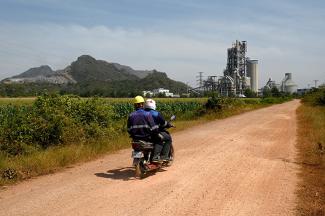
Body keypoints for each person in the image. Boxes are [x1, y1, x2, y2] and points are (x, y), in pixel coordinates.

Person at [127, 96, 161, 162]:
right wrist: (156, 133)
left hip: (135, 139)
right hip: (146, 138)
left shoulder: (131, 115)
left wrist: (133, 134)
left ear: (135, 105)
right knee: (158, 140)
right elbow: (154, 127)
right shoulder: (147, 114)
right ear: (142, 104)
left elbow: (128, 129)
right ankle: (155, 158)